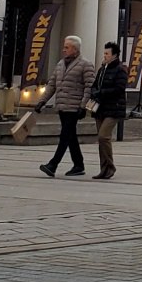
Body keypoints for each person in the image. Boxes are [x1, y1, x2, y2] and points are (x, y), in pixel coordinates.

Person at [34, 37, 93, 177]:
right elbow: (52, 84)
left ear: (75, 49)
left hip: (74, 107)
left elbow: (89, 87)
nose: (63, 49)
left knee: (65, 136)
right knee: (71, 136)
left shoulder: (85, 64)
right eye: (64, 47)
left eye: (67, 47)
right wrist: (42, 101)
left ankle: (53, 164)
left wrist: (83, 106)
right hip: (62, 105)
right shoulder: (60, 64)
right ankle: (79, 164)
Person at [90, 42, 128, 179]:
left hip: (114, 108)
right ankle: (104, 168)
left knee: (103, 136)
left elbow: (119, 89)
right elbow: (94, 85)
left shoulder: (120, 70)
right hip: (100, 108)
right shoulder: (102, 70)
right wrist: (94, 92)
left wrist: (102, 92)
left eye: (107, 54)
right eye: (104, 53)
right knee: (101, 139)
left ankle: (110, 167)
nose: (104, 56)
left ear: (114, 55)